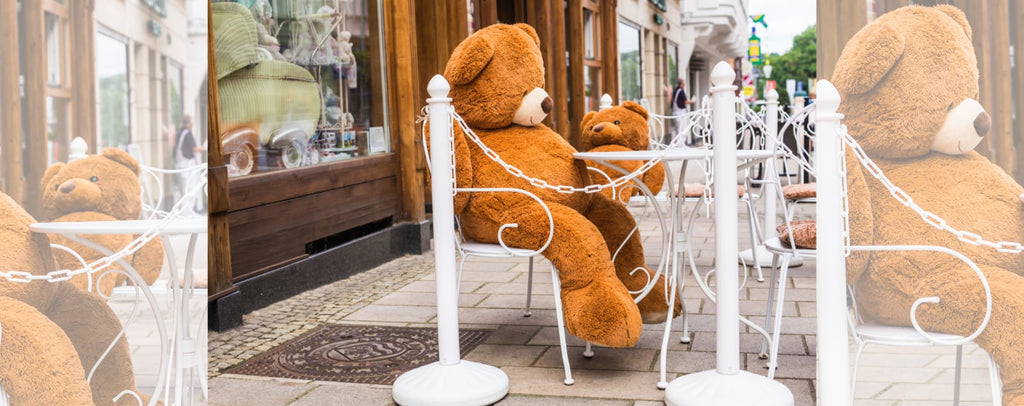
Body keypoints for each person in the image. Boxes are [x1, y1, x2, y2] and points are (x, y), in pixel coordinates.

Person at [174, 115, 204, 216]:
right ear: (189, 124)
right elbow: (194, 149)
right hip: (187, 166)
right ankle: (188, 212)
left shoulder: (179, 134)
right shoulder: (188, 134)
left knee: (183, 190)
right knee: (189, 189)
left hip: (180, 165)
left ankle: (184, 212)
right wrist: (204, 148)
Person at [670, 79, 693, 144]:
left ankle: (679, 144)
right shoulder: (681, 91)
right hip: (680, 112)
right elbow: (686, 101)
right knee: (682, 129)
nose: (684, 86)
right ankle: (681, 144)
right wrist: (692, 101)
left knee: (678, 129)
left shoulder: (675, 91)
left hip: (675, 112)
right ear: (681, 85)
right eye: (683, 84)